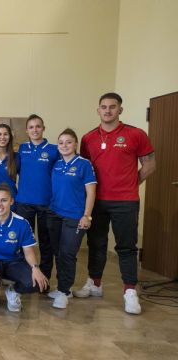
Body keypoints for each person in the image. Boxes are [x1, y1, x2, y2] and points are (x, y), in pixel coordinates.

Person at [77, 92, 155, 315]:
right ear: (98, 110)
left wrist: (133, 182)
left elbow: (150, 165)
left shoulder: (135, 134)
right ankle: (95, 283)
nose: (108, 110)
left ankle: (130, 291)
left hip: (126, 201)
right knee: (97, 244)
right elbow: (84, 169)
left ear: (120, 109)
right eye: (104, 107)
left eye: (112, 107)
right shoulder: (88, 138)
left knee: (126, 247)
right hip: (97, 201)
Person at [0, 184, 48, 312]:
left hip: (13, 261)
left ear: (11, 201)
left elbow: (29, 252)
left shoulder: (22, 223)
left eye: (4, 200)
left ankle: (13, 292)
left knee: (34, 283)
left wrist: (36, 268)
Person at [47, 129, 96, 309]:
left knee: (68, 254)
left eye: (69, 142)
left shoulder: (84, 164)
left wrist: (87, 215)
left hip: (75, 217)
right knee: (58, 252)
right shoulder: (57, 164)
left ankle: (64, 289)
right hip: (55, 213)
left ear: (75, 144)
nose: (65, 145)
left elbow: (91, 192)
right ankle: (63, 288)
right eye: (61, 142)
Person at [15, 114, 59, 283]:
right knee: (23, 243)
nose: (35, 130)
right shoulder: (22, 149)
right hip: (24, 203)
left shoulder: (54, 150)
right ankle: (26, 277)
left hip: (47, 205)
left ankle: (45, 279)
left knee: (46, 245)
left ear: (43, 128)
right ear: (26, 130)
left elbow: (60, 175)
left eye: (38, 126)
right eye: (31, 127)